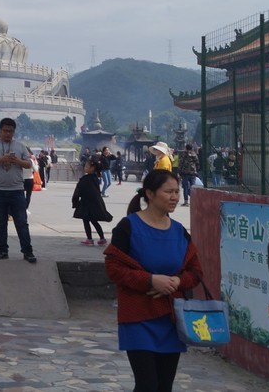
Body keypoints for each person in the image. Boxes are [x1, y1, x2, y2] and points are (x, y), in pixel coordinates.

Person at [104, 170, 203, 392]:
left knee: (164, 386)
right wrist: (150, 281)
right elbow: (113, 267)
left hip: (170, 319)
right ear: (149, 193)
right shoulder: (128, 227)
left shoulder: (179, 231)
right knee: (147, 385)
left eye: (177, 191)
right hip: (138, 318)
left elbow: (196, 272)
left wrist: (177, 282)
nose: (175, 197)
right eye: (168, 191)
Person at [0, 118, 36, 263]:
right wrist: (2, 158)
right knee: (0, 223)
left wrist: (17, 161)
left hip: (17, 190)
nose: (8, 134)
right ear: (0, 130)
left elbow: (28, 164)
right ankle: (2, 250)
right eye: (5, 131)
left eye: (11, 131)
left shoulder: (20, 146)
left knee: (21, 222)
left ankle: (27, 251)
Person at [72, 158, 111, 245]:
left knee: (86, 220)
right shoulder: (96, 179)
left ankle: (89, 239)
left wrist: (75, 203)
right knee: (94, 221)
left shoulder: (84, 179)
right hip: (95, 203)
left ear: (92, 168)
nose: (85, 168)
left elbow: (77, 192)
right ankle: (102, 238)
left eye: (86, 166)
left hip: (86, 204)